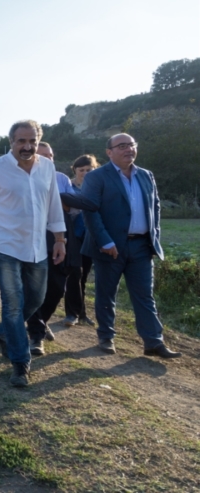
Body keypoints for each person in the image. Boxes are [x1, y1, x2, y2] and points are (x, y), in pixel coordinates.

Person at [66, 133, 181, 358]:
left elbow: (155, 207)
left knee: (144, 295)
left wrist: (153, 237)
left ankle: (153, 342)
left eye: (131, 145)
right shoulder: (97, 177)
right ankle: (106, 336)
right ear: (109, 152)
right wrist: (105, 241)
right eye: (122, 146)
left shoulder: (146, 175)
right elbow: (91, 211)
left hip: (141, 246)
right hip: (108, 246)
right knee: (106, 293)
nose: (129, 149)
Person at [0, 120, 66, 388]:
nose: (27, 146)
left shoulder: (47, 167)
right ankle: (20, 364)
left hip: (37, 246)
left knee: (36, 298)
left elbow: (54, 205)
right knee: (13, 304)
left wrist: (59, 239)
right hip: (4, 245)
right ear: (11, 141)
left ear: (38, 140)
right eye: (21, 141)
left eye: (32, 141)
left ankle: (4, 332)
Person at [24, 142, 80, 355]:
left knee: (57, 288)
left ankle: (41, 321)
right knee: (33, 287)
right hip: (32, 236)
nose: (49, 159)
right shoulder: (23, 177)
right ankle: (36, 335)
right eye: (43, 155)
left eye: (51, 156)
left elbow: (70, 206)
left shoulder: (62, 178)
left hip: (59, 236)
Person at [62, 154, 99, 327]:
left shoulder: (99, 188)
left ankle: (82, 313)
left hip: (90, 237)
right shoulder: (68, 186)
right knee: (74, 274)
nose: (85, 173)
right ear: (75, 170)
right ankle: (72, 314)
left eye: (89, 170)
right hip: (73, 237)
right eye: (81, 170)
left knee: (83, 276)